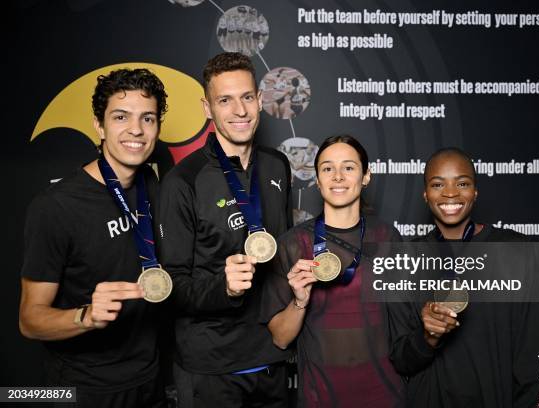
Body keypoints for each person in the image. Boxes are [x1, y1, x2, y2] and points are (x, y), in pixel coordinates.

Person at [19, 68, 168, 407]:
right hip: (84, 389)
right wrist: (86, 315)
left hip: (150, 380)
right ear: (99, 126)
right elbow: (29, 320)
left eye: (148, 118)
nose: (136, 130)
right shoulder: (55, 207)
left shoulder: (156, 187)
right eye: (121, 117)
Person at [158, 52, 293, 407]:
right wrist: (223, 288)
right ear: (207, 108)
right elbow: (170, 287)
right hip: (211, 367)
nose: (240, 110)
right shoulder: (182, 182)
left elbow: (284, 251)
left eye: (247, 97)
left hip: (273, 356)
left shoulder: (278, 166)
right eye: (225, 100)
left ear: (261, 100)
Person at [387, 147, 539, 408]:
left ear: (475, 192)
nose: (450, 193)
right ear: (425, 195)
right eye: (438, 184)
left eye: (462, 183)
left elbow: (533, 355)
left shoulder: (517, 252)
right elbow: (400, 360)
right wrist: (427, 337)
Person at [262, 135, 405, 407]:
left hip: (384, 395)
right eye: (328, 168)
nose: (337, 176)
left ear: (366, 176)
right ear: (317, 179)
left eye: (349, 167)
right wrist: (299, 301)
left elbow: (403, 327)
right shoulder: (293, 245)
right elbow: (280, 339)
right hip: (321, 397)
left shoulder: (388, 237)